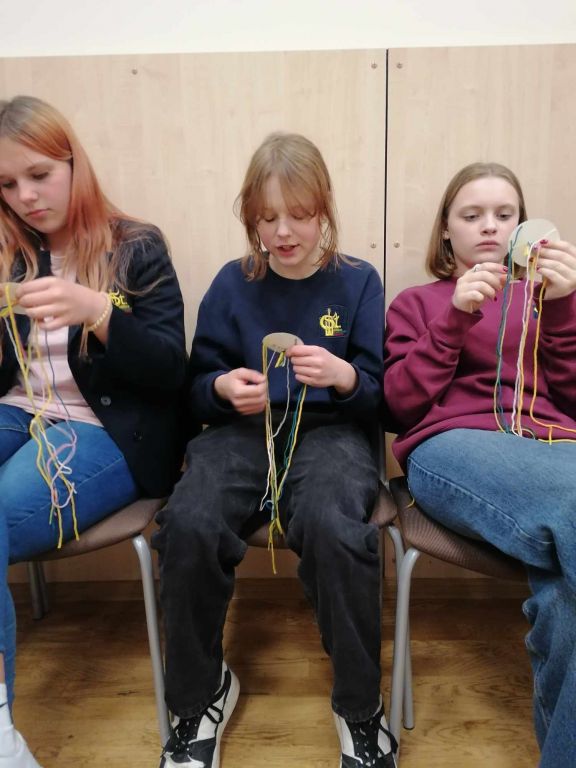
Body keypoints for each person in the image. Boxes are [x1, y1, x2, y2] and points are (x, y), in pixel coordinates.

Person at [153, 132, 397, 768]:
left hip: (332, 433)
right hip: (241, 435)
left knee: (334, 527)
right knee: (189, 521)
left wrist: (344, 376)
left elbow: (380, 397)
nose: (283, 232)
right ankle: (200, 695)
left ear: (325, 209)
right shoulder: (232, 283)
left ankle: (360, 707)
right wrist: (221, 389)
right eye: (267, 218)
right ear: (250, 219)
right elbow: (195, 389)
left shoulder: (358, 282)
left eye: (300, 214)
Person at [0, 95, 187, 768]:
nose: (26, 197)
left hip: (105, 428)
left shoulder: (135, 246)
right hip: (19, 410)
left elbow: (169, 374)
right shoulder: (10, 251)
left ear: (74, 164)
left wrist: (98, 312)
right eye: (7, 184)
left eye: (39, 175)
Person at [384, 162, 576, 767]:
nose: (489, 227)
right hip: (455, 447)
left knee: (565, 607)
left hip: (556, 448)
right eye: (472, 215)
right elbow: (398, 406)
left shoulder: (550, 298)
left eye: (504, 215)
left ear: (523, 226)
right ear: (446, 229)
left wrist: (565, 311)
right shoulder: (418, 303)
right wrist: (453, 319)